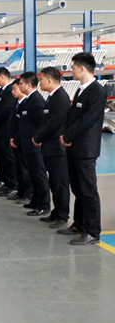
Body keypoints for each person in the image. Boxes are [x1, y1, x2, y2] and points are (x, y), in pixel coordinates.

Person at [58, 52, 107, 245]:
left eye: (73, 67)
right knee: (77, 188)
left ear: (82, 68)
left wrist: (67, 136)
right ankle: (79, 223)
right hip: (74, 146)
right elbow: (72, 116)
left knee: (88, 190)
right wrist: (65, 134)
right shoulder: (81, 90)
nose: (71, 70)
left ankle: (93, 231)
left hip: (86, 149)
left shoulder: (97, 91)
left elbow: (87, 120)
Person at [32, 67, 71, 228]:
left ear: (49, 80)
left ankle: (62, 215)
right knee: (54, 182)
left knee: (60, 183)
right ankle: (56, 212)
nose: (39, 83)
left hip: (57, 148)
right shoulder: (51, 97)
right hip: (50, 147)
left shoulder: (60, 98)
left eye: (41, 79)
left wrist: (37, 137)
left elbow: (53, 123)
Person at [11, 72, 50, 216]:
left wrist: (37, 139)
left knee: (39, 175)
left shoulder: (36, 100)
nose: (19, 86)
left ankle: (44, 204)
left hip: (34, 145)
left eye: (21, 83)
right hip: (27, 144)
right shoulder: (28, 100)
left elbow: (42, 123)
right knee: (33, 174)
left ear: (28, 85)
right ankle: (36, 200)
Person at [7, 79, 33, 205]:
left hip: (23, 141)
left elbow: (25, 125)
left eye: (15, 89)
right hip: (16, 140)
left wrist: (16, 138)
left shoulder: (28, 103)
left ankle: (28, 193)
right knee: (18, 168)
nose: (12, 92)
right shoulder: (17, 103)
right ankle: (20, 190)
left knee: (25, 168)